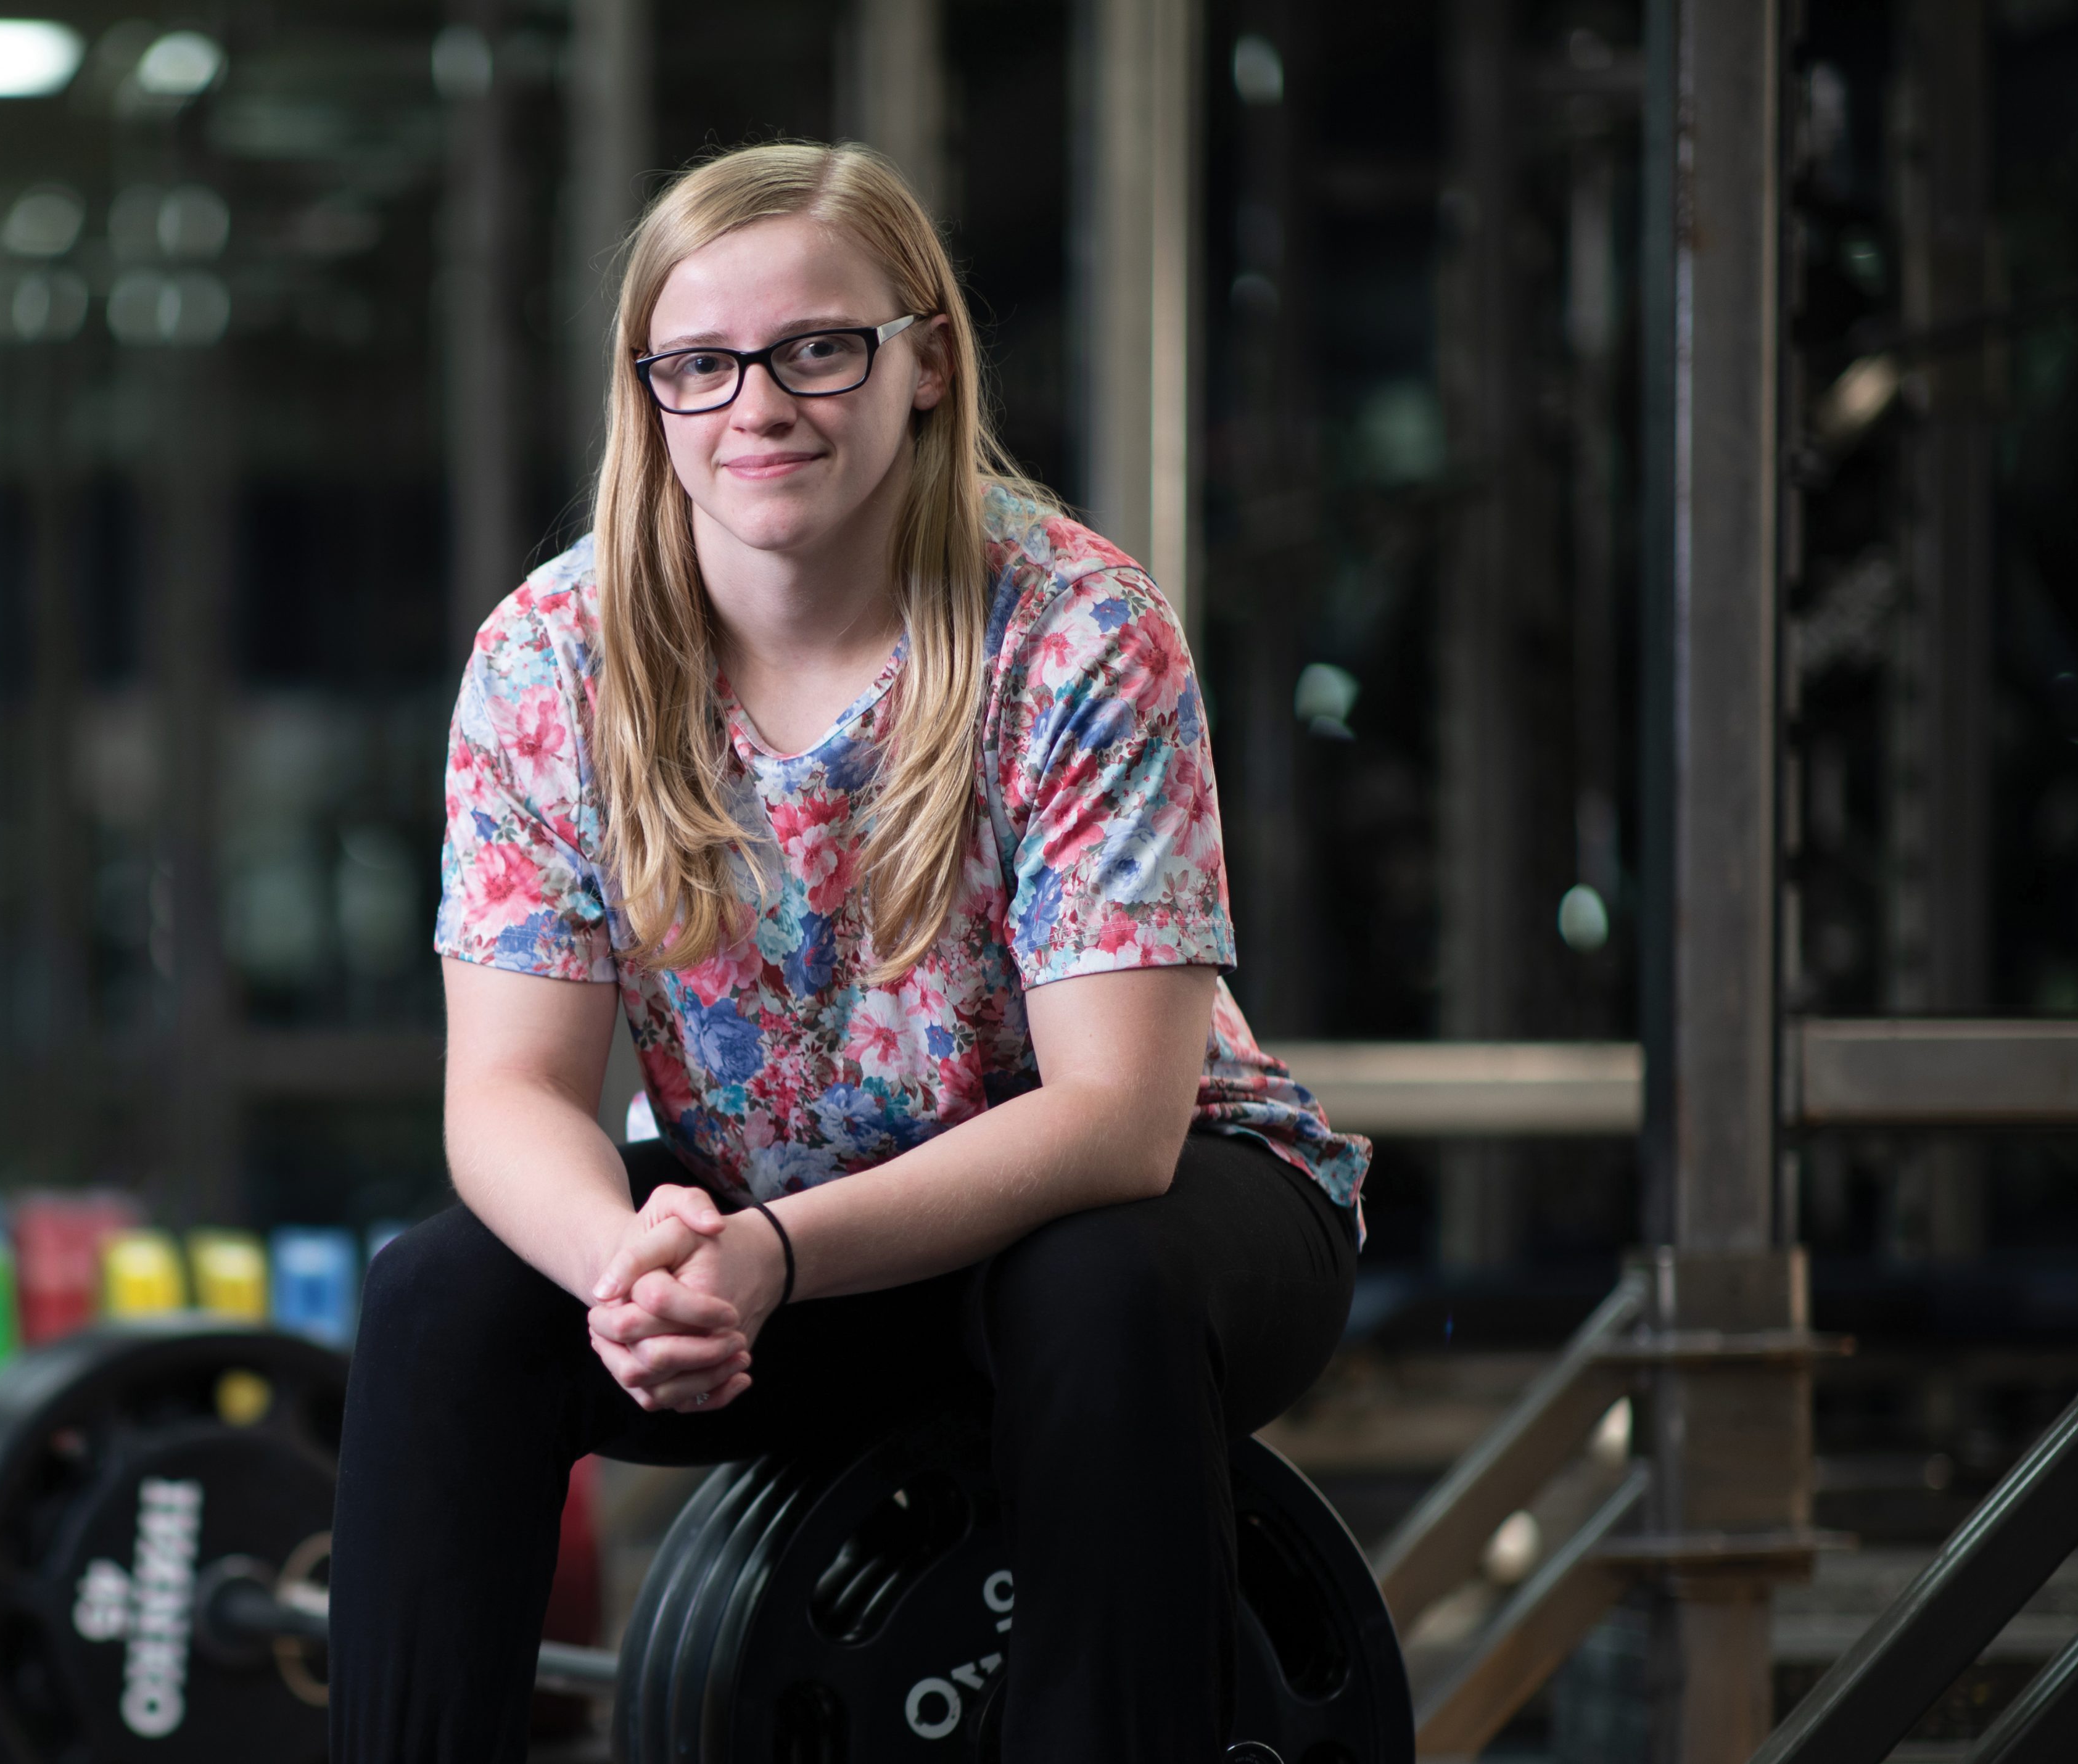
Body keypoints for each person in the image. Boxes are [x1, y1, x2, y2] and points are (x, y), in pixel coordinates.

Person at [326, 142, 1371, 1763]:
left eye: (819, 348)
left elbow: (1119, 1120)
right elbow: (509, 1095)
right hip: (787, 1254)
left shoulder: (1078, 625)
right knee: (445, 1296)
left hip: (1151, 1216)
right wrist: (633, 1267)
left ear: (927, 354)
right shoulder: (550, 658)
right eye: (701, 364)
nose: (759, 406)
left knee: (1091, 1282)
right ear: (649, 391)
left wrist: (770, 1258)